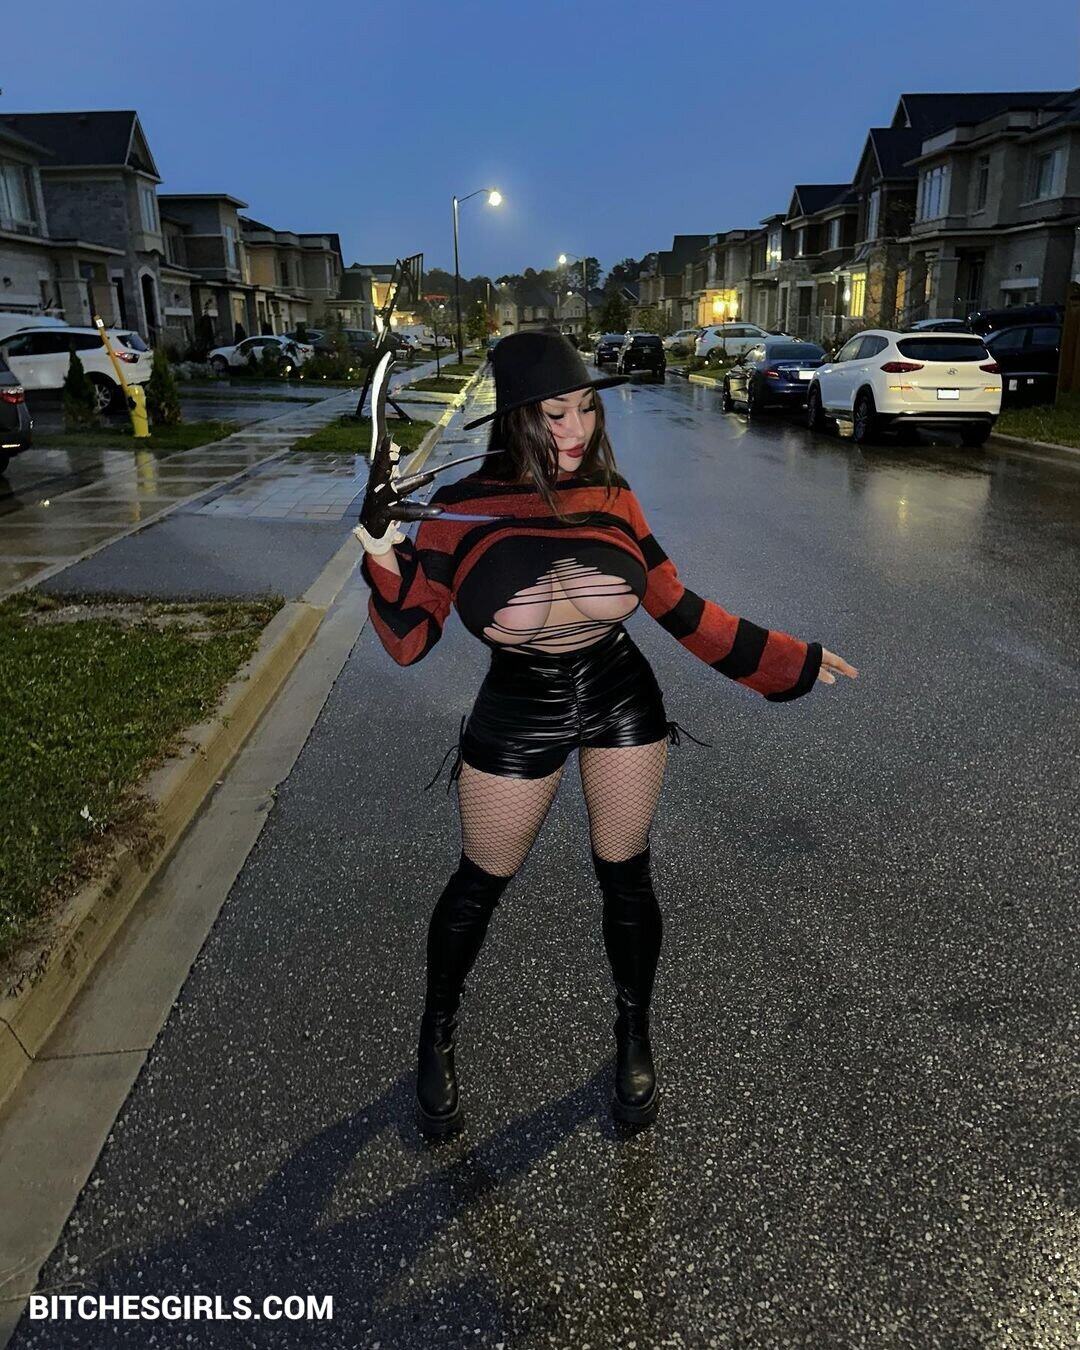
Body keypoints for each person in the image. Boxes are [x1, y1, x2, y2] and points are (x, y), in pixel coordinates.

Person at [356, 332, 857, 1138]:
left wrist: (785, 659)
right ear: (516, 417)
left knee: (625, 878)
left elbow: (679, 607)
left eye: (586, 409)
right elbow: (411, 637)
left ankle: (633, 1034)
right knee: (479, 884)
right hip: (519, 706)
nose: (576, 430)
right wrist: (383, 548)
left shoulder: (613, 497)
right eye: (554, 414)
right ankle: (436, 1033)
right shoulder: (459, 509)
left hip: (620, 697)